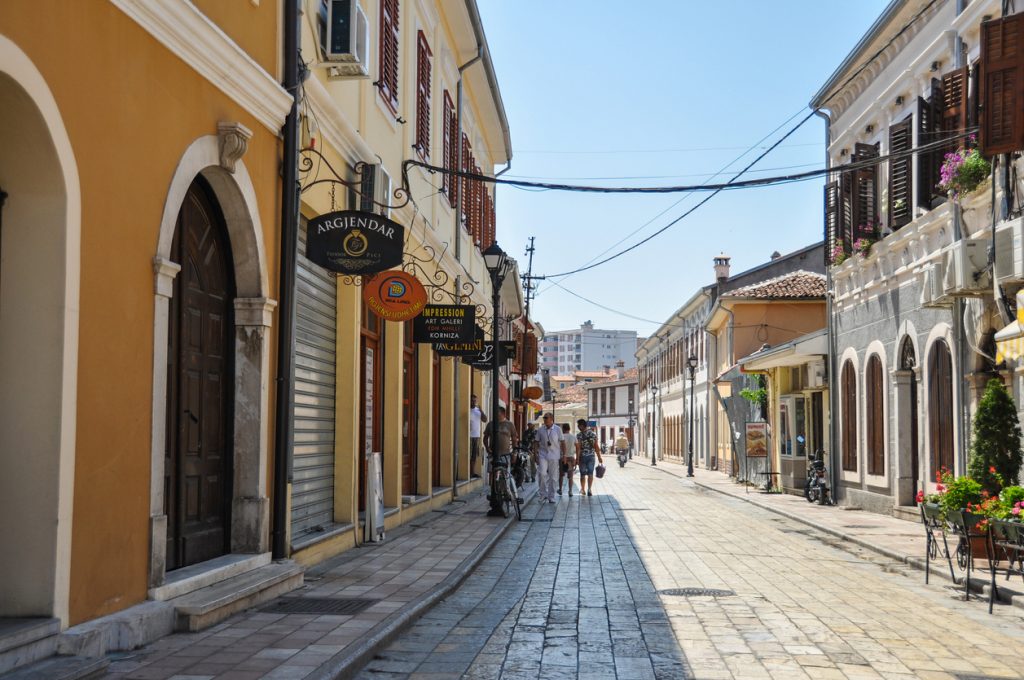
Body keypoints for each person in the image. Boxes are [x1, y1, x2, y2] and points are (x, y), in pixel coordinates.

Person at [536, 413, 564, 503]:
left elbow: (563, 442)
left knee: (553, 476)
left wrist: (564, 455)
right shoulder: (540, 430)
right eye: (544, 418)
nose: (544, 420)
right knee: (542, 473)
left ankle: (551, 496)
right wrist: (535, 454)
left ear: (551, 418)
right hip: (543, 454)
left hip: (554, 455)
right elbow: (536, 442)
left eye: (546, 418)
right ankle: (543, 494)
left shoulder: (557, 429)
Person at [577, 419, 603, 497]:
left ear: (582, 425)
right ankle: (589, 489)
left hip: (582, 457)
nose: (578, 427)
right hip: (591, 456)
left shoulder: (579, 435)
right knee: (590, 473)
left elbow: (578, 448)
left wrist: (577, 459)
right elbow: (596, 446)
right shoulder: (593, 434)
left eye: (579, 425)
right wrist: (599, 457)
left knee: (582, 474)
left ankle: (583, 489)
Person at [469, 394, 487, 478]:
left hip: (476, 435)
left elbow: (485, 419)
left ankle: (472, 472)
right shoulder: (467, 409)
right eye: (472, 400)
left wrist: (481, 411)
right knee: (468, 454)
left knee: (474, 455)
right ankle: (468, 472)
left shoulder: (478, 411)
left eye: (475, 401)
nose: (473, 402)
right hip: (468, 436)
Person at [558, 423, 578, 497]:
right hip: (571, 457)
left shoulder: (561, 437)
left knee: (561, 475)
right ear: (569, 428)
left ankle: (560, 489)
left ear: (563, 429)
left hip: (562, 458)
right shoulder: (573, 437)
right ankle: (570, 491)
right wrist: (577, 458)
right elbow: (577, 447)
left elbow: (559, 447)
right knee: (570, 476)